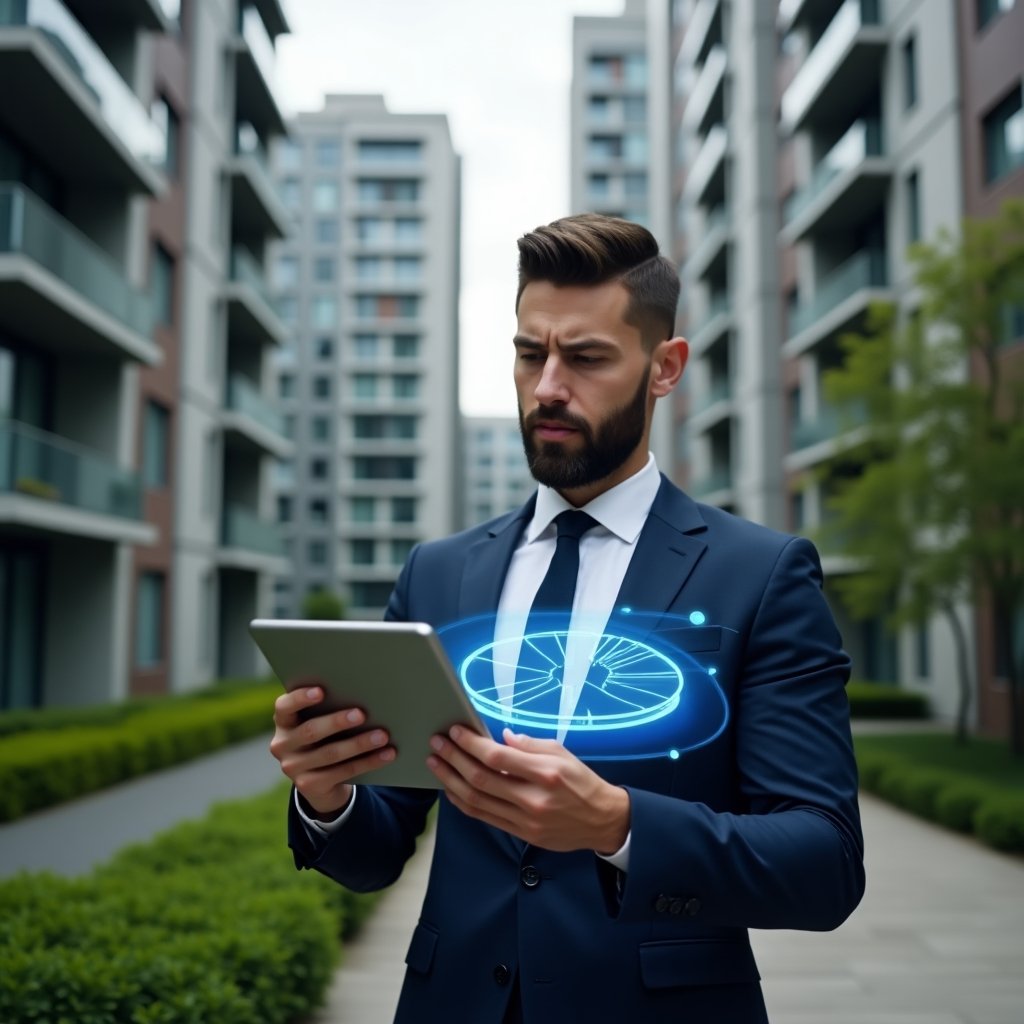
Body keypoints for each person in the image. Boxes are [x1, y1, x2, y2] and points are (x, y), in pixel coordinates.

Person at [270, 214, 865, 1023]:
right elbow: (378, 853)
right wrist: (327, 793)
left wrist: (620, 825)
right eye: (528, 354)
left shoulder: (760, 575)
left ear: (665, 368)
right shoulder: (438, 574)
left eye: (585, 358)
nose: (548, 386)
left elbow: (824, 863)